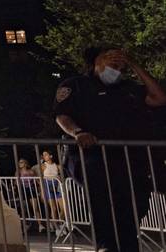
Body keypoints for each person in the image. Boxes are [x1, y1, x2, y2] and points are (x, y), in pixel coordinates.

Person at [55, 46, 166, 252]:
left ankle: (127, 244)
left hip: (129, 160)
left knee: (135, 204)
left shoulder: (128, 87)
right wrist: (78, 132)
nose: (116, 65)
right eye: (110, 59)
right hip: (93, 156)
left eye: (120, 62)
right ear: (95, 62)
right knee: (103, 199)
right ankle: (106, 244)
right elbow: (62, 115)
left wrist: (133, 63)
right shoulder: (76, 85)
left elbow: (159, 98)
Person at [33, 150, 65, 234]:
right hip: (47, 185)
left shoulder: (57, 166)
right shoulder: (43, 166)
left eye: (46, 154)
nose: (44, 156)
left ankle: (61, 224)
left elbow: (62, 177)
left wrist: (60, 178)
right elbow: (39, 179)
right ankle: (56, 227)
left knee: (63, 208)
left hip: (57, 185)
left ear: (51, 156)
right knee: (53, 208)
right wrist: (42, 192)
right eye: (43, 155)